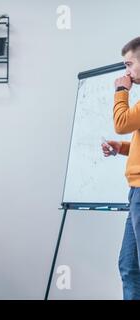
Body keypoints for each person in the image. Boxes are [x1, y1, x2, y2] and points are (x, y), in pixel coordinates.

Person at [102, 36, 140, 300]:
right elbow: (130, 135)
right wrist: (121, 147)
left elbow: (121, 122)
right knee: (129, 267)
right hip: (135, 192)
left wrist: (121, 90)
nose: (126, 72)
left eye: (130, 65)